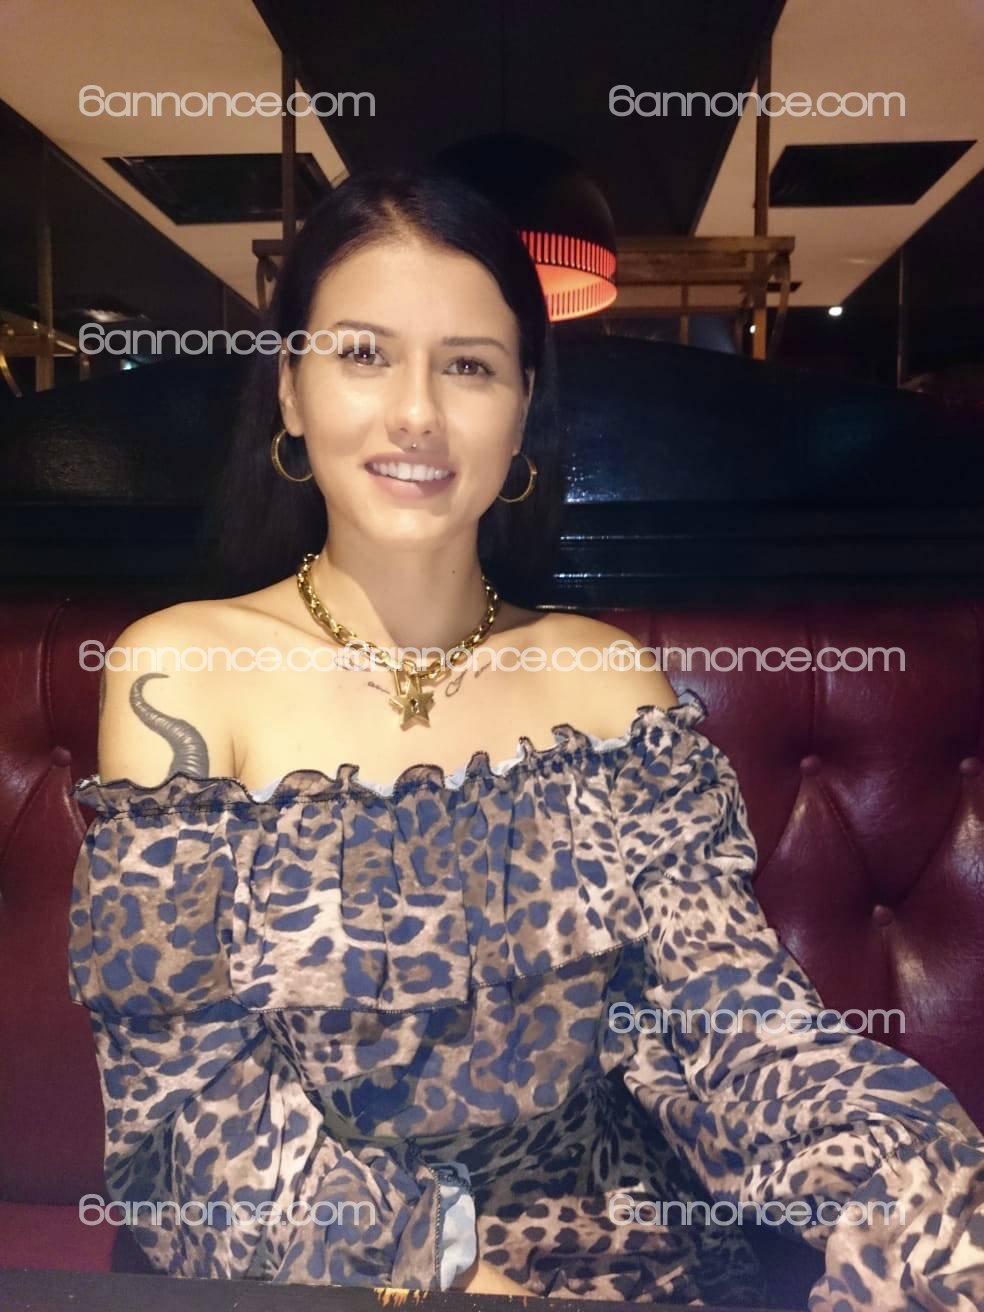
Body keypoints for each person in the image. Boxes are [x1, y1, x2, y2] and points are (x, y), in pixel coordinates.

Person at [68, 168, 984, 1309]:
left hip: (631, 1263)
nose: (416, 412)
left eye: (468, 365)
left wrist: (911, 1188)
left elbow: (736, 1022)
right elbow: (186, 1110)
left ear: (520, 412)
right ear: (291, 389)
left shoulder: (606, 680)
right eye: (364, 353)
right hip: (333, 1271)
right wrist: (456, 1274)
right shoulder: (183, 670)